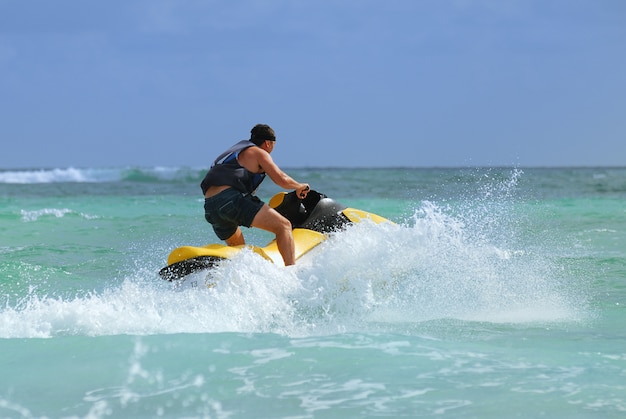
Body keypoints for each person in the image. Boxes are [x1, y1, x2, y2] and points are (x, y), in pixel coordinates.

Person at [200, 124, 310, 266]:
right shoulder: (259, 152)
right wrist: (299, 186)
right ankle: (292, 271)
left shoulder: (235, 152)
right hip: (230, 200)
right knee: (284, 226)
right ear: (268, 143)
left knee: (237, 250)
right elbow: (281, 179)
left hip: (211, 207)